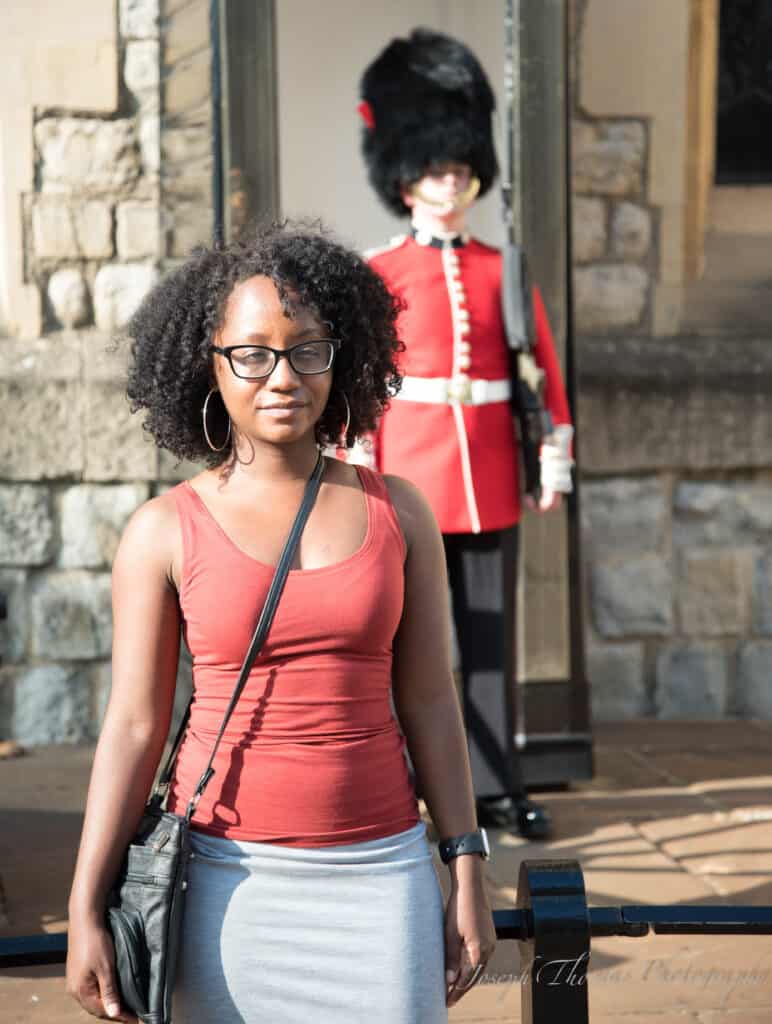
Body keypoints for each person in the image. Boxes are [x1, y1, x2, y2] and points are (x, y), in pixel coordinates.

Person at [64, 223, 497, 1024]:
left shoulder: (398, 511)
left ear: (344, 357)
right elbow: (132, 726)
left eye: (308, 350)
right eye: (252, 353)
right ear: (210, 363)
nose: (283, 376)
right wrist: (87, 904)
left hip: (382, 877)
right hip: (225, 885)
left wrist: (465, 865)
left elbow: (433, 699)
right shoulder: (162, 531)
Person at [356, 29, 575, 838]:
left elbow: (540, 365)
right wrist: (361, 463)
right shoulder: (380, 272)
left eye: (458, 167)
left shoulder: (500, 266)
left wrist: (553, 456)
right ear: (404, 178)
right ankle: (411, 784)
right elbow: (364, 380)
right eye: (434, 168)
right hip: (411, 472)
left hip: (487, 469)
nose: (449, 182)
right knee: (412, 647)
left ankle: (493, 786)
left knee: (491, 642)